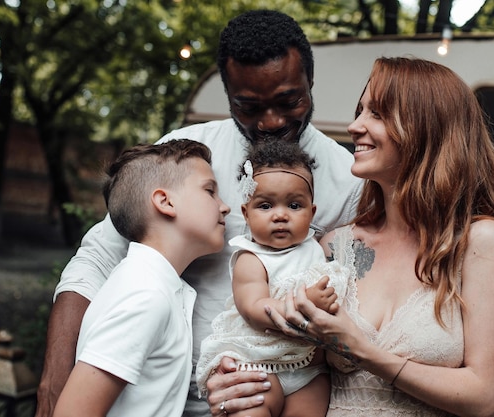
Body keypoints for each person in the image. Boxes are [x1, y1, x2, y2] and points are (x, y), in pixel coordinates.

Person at [35, 9, 363, 417]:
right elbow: (96, 260)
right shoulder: (187, 155)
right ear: (228, 96)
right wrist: (54, 377)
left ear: (309, 83)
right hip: (165, 399)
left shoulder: (348, 181)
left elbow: (354, 300)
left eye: (288, 100)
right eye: (248, 106)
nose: (271, 121)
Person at [206, 57, 494, 417]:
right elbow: (294, 361)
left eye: (376, 114)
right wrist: (237, 379)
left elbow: (484, 398)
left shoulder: (480, 241)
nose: (354, 126)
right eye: (360, 111)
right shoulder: (333, 247)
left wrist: (363, 351)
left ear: (426, 126)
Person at [52, 140, 230, 417]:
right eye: (210, 191)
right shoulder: (145, 295)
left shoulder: (155, 286)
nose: (225, 206)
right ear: (165, 202)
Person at [196, 140, 349, 417]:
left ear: (311, 213)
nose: (280, 215)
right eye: (265, 206)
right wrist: (305, 304)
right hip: (259, 363)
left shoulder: (316, 249)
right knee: (251, 410)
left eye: (294, 205)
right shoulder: (251, 257)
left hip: (310, 371)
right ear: (246, 213)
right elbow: (254, 308)